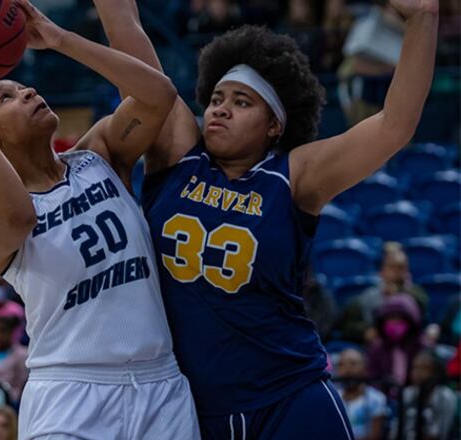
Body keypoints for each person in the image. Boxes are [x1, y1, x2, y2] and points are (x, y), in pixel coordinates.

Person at [94, 0, 437, 437]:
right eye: (217, 98)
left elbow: (395, 126)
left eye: (241, 102)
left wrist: (422, 17)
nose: (220, 109)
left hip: (290, 397)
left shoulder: (293, 177)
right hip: (194, 408)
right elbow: (128, 32)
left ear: (274, 124)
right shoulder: (179, 154)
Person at [0, 1, 200, 437]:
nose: (27, 92)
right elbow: (19, 214)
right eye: (5, 97)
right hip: (70, 393)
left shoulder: (99, 154)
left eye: (24, 86)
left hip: (161, 385)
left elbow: (158, 95)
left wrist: (59, 39)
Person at [340, 243, 429, 344]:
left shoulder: (417, 295)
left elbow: (421, 320)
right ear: (382, 271)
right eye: (392, 267)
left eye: (400, 267)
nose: (396, 271)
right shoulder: (367, 297)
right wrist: (364, 332)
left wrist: (400, 293)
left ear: (407, 271)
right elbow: (348, 327)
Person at [394, 350, 459, 440]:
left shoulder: (445, 396)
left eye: (424, 368)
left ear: (436, 371)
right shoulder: (407, 393)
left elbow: (441, 432)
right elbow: (397, 429)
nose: (417, 372)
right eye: (415, 368)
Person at [367, 295, 425, 389]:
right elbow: (373, 380)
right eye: (390, 318)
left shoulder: (421, 348)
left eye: (399, 318)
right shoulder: (376, 349)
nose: (394, 322)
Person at [335, 348, 390, 440]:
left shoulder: (376, 398)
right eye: (341, 365)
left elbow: (375, 436)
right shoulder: (334, 398)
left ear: (365, 368)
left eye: (353, 364)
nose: (347, 369)